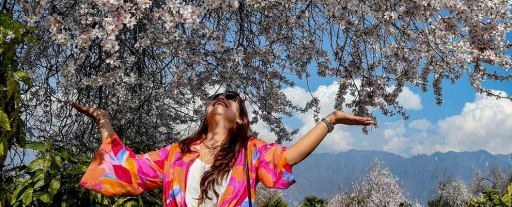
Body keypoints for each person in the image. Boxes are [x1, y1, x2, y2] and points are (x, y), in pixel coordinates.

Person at [72, 90, 374, 207]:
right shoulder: (177, 153)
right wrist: (105, 125)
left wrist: (330, 120)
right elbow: (129, 170)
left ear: (240, 117)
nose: (222, 99)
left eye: (231, 99)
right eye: (216, 96)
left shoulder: (251, 152)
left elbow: (289, 156)